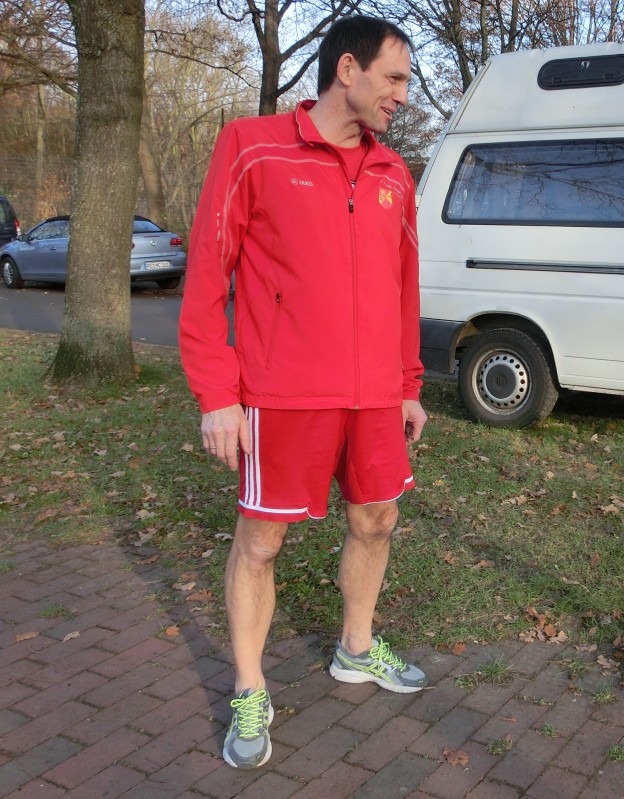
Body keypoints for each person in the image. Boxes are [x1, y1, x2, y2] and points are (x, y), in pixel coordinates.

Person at [178, 15, 428, 769]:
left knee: (377, 520)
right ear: (346, 69)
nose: (402, 97)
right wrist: (217, 394)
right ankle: (250, 687)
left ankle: (356, 646)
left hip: (377, 396)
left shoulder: (395, 174)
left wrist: (409, 383)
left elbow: (403, 287)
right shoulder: (251, 147)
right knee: (261, 539)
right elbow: (205, 279)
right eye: (394, 78)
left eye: (407, 83)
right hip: (282, 394)